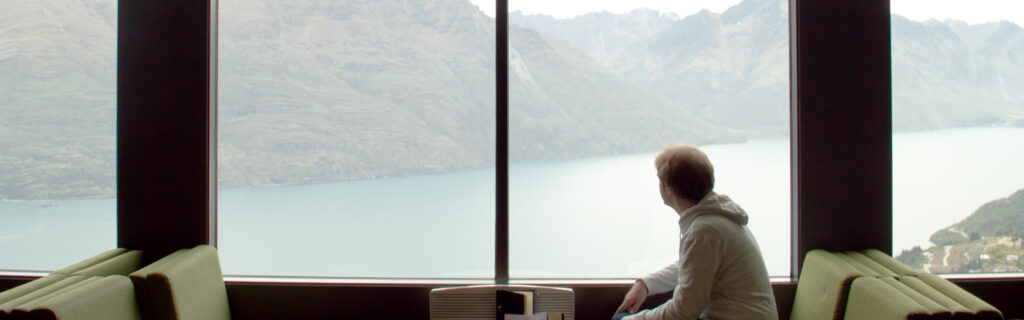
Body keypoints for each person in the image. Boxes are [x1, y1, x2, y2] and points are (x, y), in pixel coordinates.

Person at [613, 145, 778, 320]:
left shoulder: (704, 232)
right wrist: (647, 284)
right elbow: (695, 267)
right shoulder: (715, 220)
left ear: (668, 187)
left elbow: (683, 311)